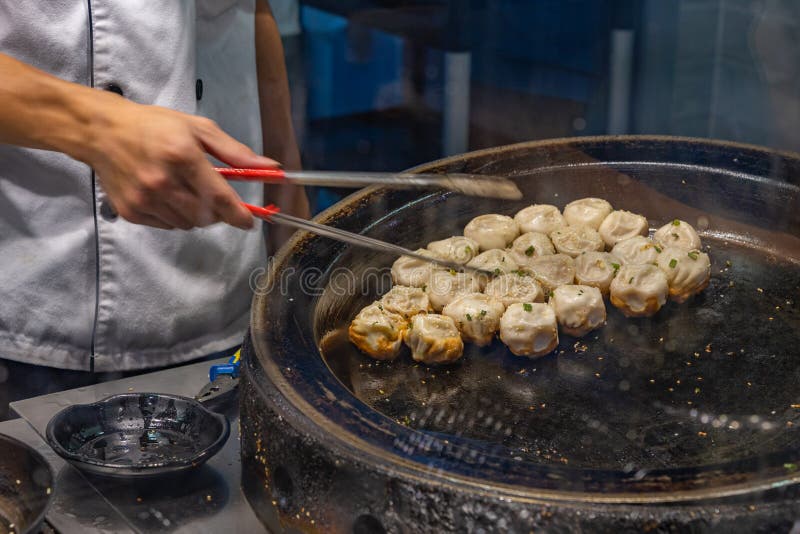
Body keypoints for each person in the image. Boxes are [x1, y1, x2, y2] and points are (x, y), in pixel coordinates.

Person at [0, 1, 308, 414]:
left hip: (223, 296)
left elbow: (247, 10)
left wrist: (288, 188)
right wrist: (96, 125)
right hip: (30, 302)